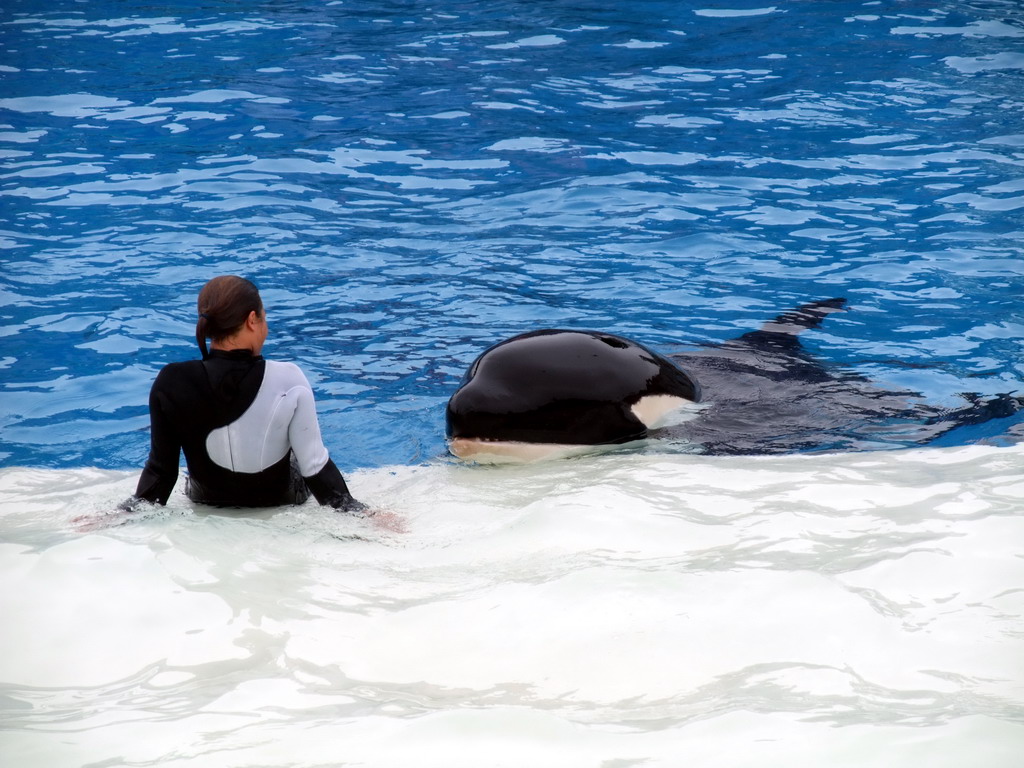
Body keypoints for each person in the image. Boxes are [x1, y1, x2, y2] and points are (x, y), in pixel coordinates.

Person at [126, 275, 364, 512]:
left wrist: (121, 516)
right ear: (252, 319)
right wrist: (363, 515)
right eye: (264, 318)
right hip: (280, 498)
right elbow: (315, 468)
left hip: (204, 497)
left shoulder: (171, 380)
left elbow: (161, 474)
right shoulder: (288, 379)